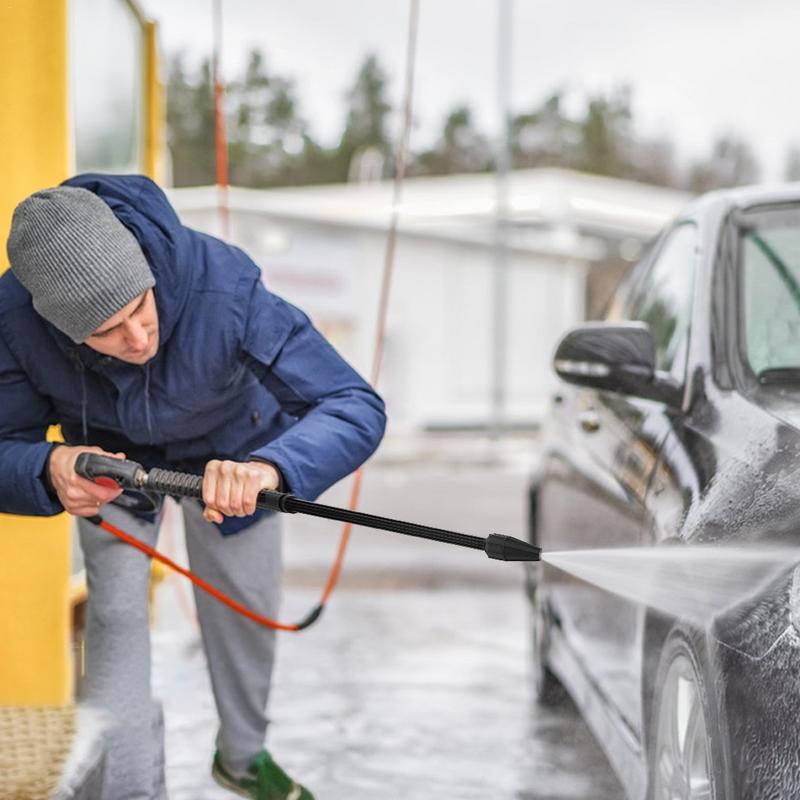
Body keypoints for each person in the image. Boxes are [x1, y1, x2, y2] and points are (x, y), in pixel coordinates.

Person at [0, 174, 387, 800]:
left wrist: (273, 469)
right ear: (56, 325)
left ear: (147, 268)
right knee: (117, 614)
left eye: (139, 308)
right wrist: (45, 467)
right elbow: (2, 446)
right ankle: (125, 789)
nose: (137, 338)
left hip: (236, 453)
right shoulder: (13, 319)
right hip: (112, 463)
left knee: (244, 606)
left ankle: (242, 757)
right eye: (106, 331)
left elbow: (354, 404)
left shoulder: (223, 285)